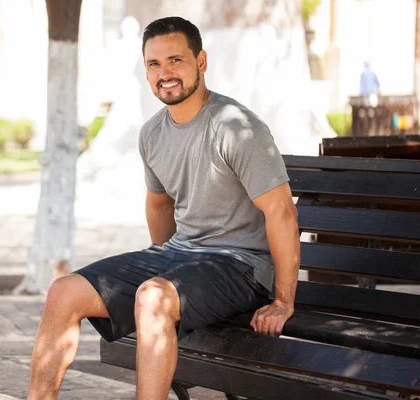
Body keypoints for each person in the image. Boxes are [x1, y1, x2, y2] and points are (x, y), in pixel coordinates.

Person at [28, 16, 300, 400]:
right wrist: (171, 271)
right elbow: (158, 204)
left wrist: (283, 302)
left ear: (201, 62)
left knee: (153, 298)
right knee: (63, 293)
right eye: (154, 64)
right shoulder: (153, 133)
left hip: (242, 266)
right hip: (182, 256)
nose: (164, 73)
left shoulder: (237, 128)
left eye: (175, 60)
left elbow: (282, 213)